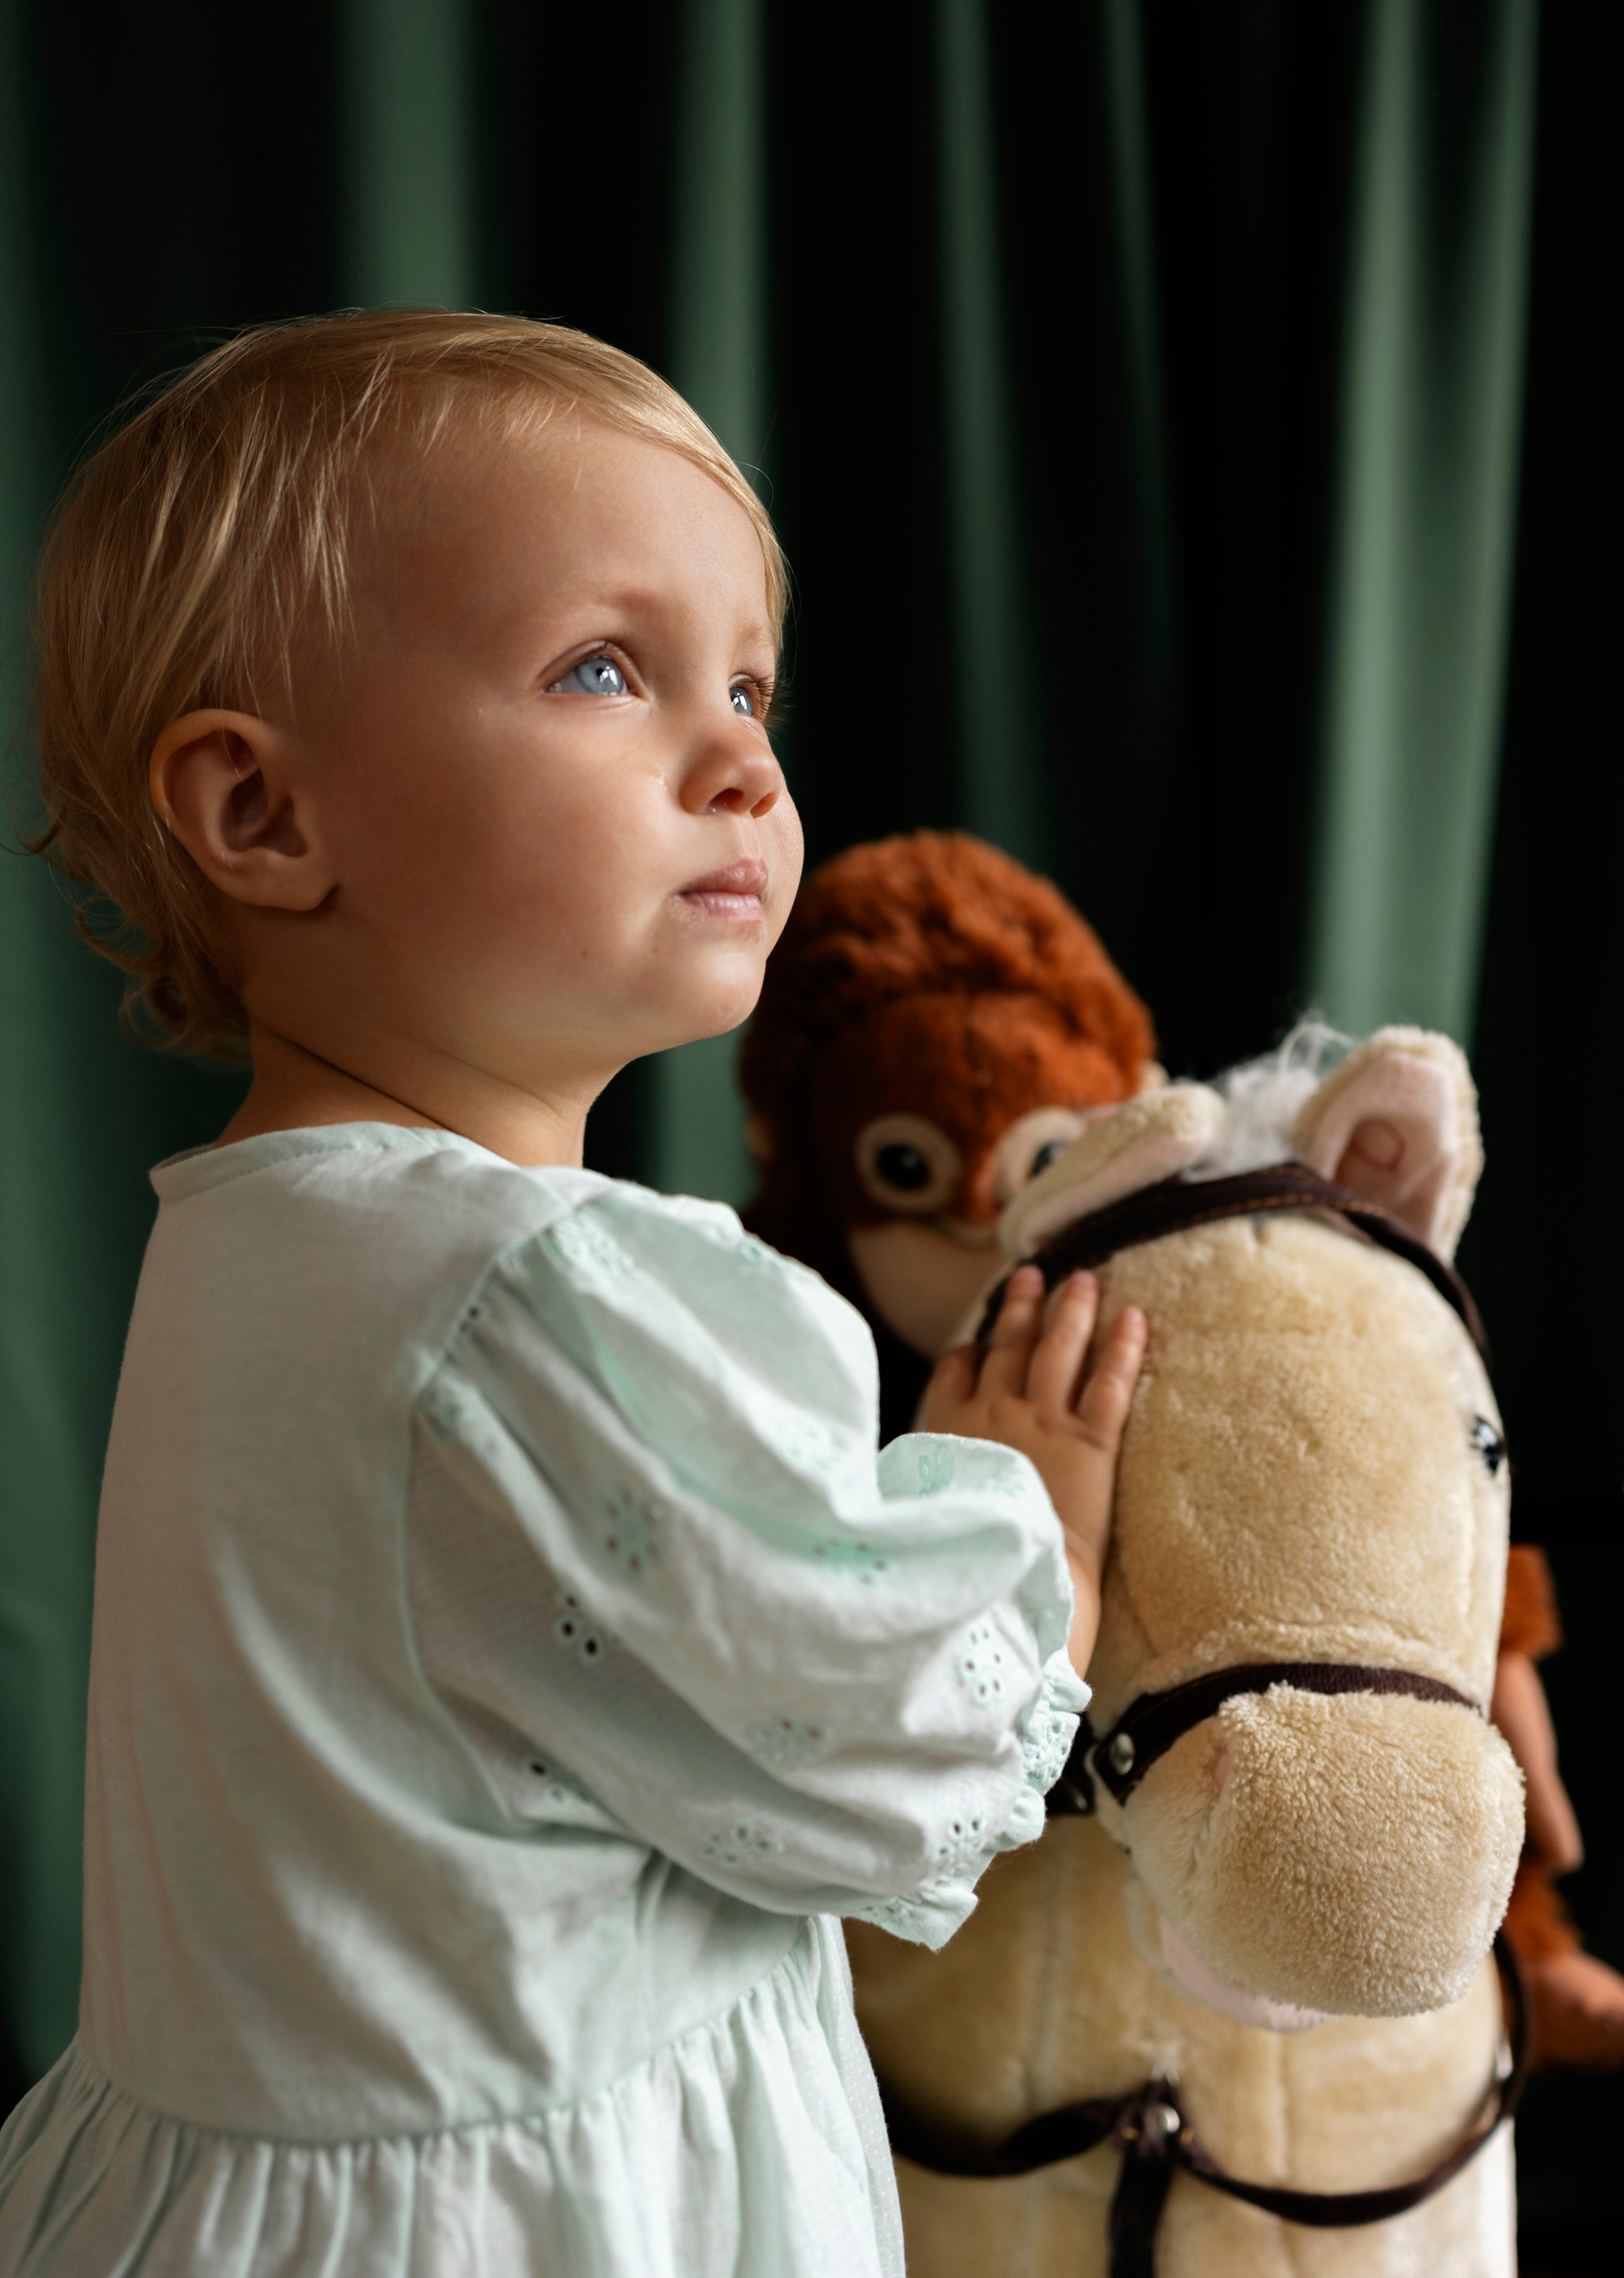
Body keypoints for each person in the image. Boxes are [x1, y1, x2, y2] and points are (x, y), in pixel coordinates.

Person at [0, 312, 1146, 2277]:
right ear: (265, 815)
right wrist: (1031, 1516)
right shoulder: (539, 1290)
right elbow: (886, 1755)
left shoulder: (253, 1239)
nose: (743, 763)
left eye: (750, 685)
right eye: (604, 670)